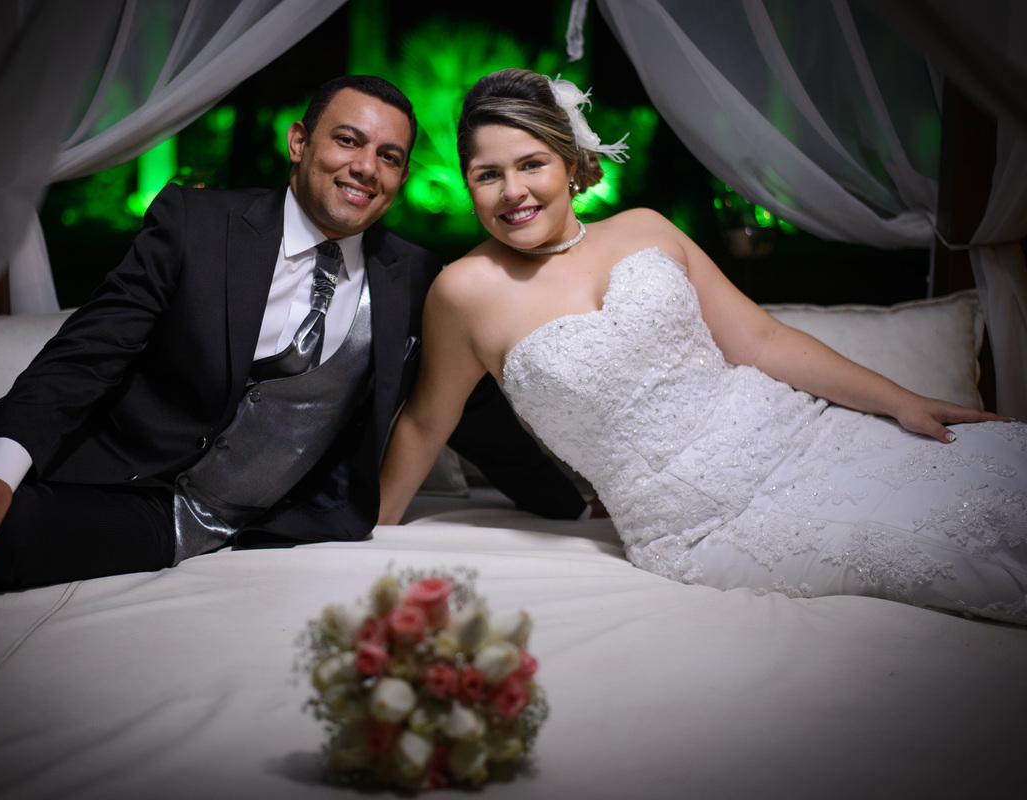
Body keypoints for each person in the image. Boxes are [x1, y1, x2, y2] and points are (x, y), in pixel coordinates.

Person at [0, 75, 586, 600]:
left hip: (176, 511)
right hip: (73, 433)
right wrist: (0, 461)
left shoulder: (416, 277)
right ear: (299, 141)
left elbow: (470, 406)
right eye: (348, 141)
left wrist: (573, 506)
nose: (366, 168)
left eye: (389, 156)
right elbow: (89, 352)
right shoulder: (196, 225)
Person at [379, 68, 1027, 624]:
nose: (513, 191)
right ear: (466, 185)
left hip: (808, 440)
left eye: (531, 164)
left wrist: (900, 402)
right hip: (704, 526)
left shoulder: (646, 228)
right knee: (963, 548)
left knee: (1002, 477)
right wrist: (372, 530)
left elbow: (765, 341)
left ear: (572, 164)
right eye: (487, 174)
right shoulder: (464, 291)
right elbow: (428, 419)